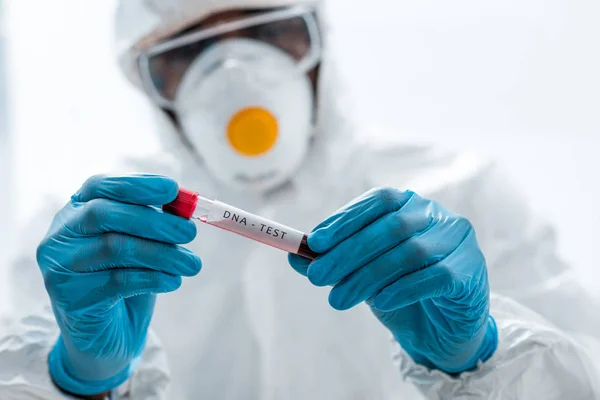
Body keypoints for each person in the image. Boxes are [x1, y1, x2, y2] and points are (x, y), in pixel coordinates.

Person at [1, 0, 600, 399]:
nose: (236, 75)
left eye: (266, 29)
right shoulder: (92, 237)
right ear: (150, 81)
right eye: (185, 50)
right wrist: (78, 377)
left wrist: (481, 358)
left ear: (317, 39)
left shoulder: (459, 196)